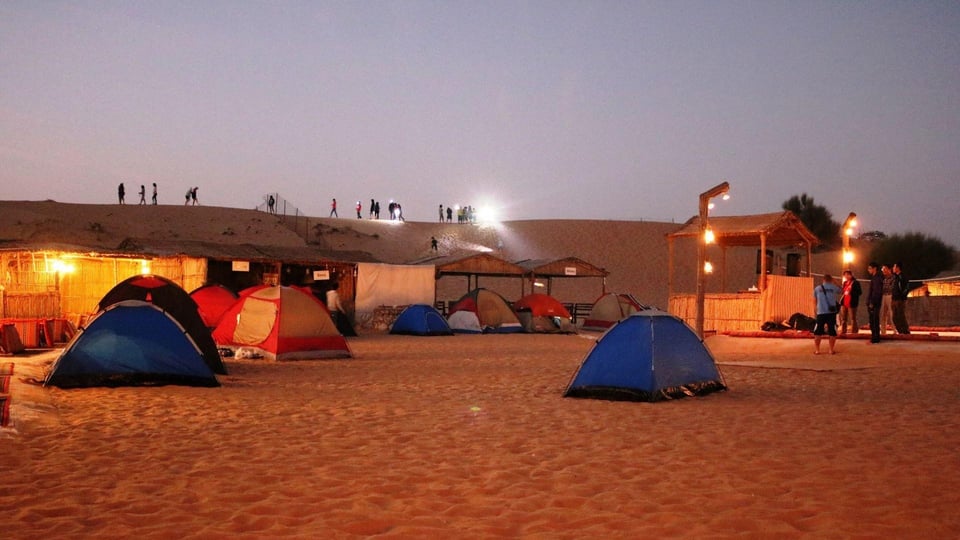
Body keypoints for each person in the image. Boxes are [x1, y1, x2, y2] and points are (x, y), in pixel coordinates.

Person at [813, 274, 841, 355]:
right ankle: (831, 350)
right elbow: (842, 290)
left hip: (821, 312)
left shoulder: (817, 288)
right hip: (831, 313)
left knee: (818, 332)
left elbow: (814, 300)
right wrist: (835, 282)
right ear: (831, 280)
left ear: (823, 280)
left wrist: (815, 310)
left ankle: (817, 350)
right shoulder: (833, 287)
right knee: (832, 331)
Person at [838, 269, 862, 334]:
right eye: (845, 275)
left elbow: (859, 292)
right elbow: (843, 291)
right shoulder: (845, 283)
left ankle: (854, 331)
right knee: (843, 318)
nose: (846, 276)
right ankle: (843, 331)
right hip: (844, 302)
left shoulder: (855, 282)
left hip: (852, 303)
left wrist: (850, 292)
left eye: (848, 275)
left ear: (851, 275)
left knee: (853, 318)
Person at [866, 262, 883, 344]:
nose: (868, 270)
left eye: (870, 268)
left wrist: (872, 302)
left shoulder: (877, 278)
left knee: (874, 320)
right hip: (873, 302)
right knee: (873, 320)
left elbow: (877, 291)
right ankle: (875, 337)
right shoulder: (874, 278)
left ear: (874, 268)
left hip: (875, 302)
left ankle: (875, 338)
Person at [892, 262, 911, 334]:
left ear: (898, 268)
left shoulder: (902, 277)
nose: (893, 268)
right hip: (894, 299)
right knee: (894, 317)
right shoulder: (895, 277)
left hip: (900, 300)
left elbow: (907, 287)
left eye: (894, 267)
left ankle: (906, 331)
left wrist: (902, 296)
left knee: (901, 316)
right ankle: (900, 331)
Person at [880, 264, 895, 334]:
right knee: (883, 314)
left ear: (889, 269)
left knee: (892, 314)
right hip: (883, 296)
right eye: (883, 269)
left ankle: (895, 331)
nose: (883, 271)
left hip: (890, 296)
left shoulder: (893, 278)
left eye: (885, 269)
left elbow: (892, 288)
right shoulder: (883, 278)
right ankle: (883, 332)